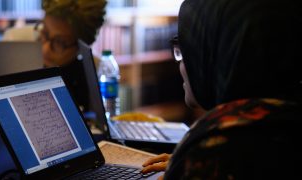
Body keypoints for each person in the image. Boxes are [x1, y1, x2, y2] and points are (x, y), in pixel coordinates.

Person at [141, 0, 302, 179]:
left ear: (220, 54)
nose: (181, 63)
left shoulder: (221, 145)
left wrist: (198, 163)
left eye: (187, 49)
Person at [35, 0, 106, 111]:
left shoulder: (89, 79)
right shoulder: (17, 59)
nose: (45, 49)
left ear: (81, 46)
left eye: (60, 42)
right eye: (44, 32)